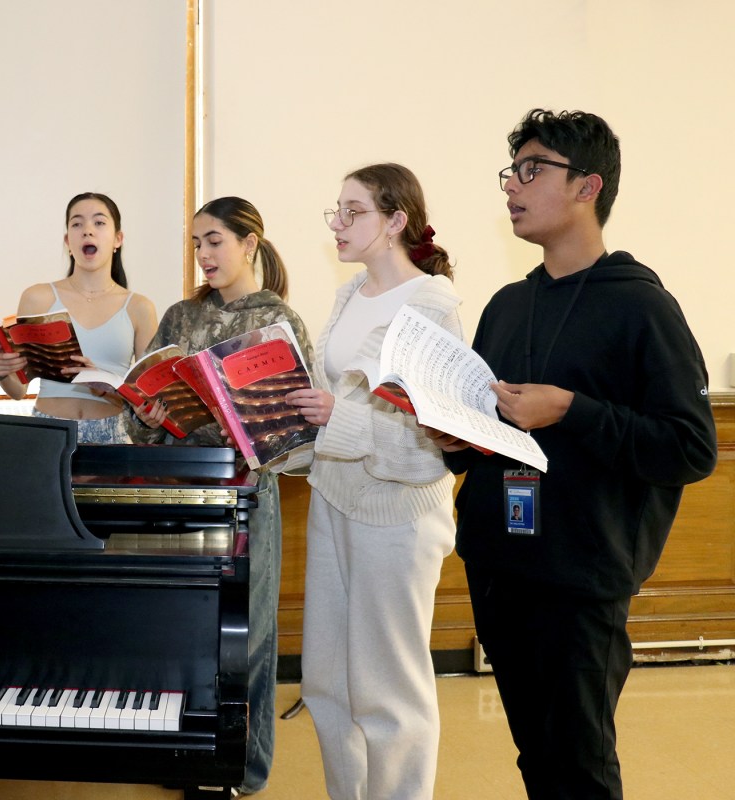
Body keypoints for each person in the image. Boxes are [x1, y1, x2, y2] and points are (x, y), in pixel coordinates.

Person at [427, 109, 718, 799]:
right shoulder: (506, 305)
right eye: (511, 172)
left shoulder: (642, 307)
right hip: (500, 565)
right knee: (538, 760)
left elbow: (690, 445)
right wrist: (453, 442)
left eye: (533, 170)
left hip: (582, 577)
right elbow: (491, 434)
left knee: (581, 766)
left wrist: (572, 410)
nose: (512, 187)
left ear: (588, 187)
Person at [284, 163, 461, 800]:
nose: (337, 222)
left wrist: (340, 419)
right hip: (334, 495)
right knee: (328, 683)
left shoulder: (432, 304)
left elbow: (429, 437)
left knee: (390, 692)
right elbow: (337, 400)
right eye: (335, 209)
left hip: (398, 512)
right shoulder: (349, 293)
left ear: (395, 221)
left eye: (352, 211)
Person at [128, 196, 314, 796]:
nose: (205, 255)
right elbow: (138, 421)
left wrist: (242, 415)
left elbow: (293, 436)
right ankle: (177, 751)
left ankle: (240, 769)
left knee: (247, 635)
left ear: (249, 243)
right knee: (176, 628)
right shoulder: (181, 316)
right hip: (176, 490)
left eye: (215, 241)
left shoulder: (279, 322)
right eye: (196, 244)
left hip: (245, 497)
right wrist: (151, 412)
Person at [0, 191, 158, 443]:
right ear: (68, 241)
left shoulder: (139, 307)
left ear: (117, 239)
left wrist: (103, 385)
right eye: (77, 223)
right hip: (48, 433)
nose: (87, 231)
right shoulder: (38, 297)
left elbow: (145, 398)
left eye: (99, 223)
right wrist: (2, 371)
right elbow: (18, 390)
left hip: (112, 434)